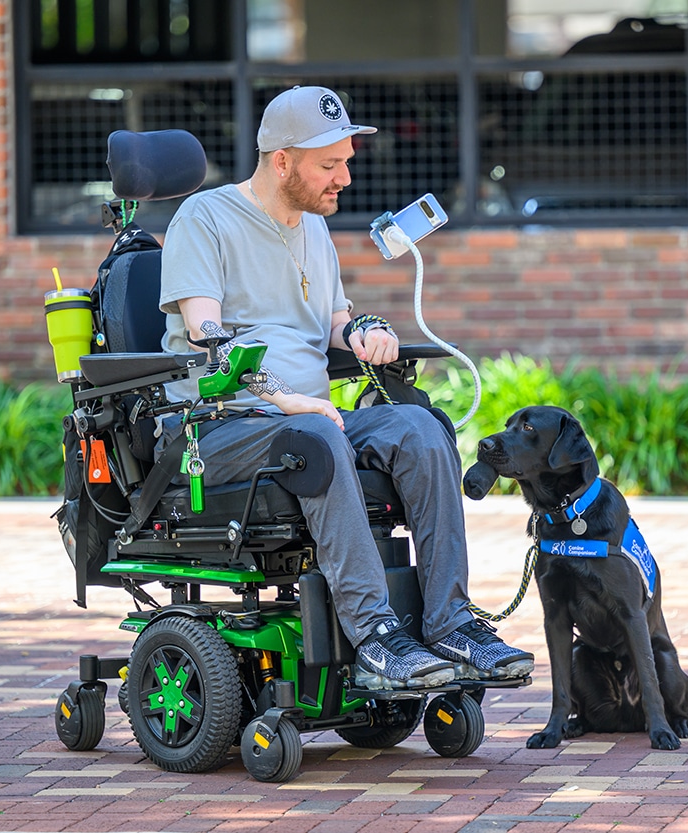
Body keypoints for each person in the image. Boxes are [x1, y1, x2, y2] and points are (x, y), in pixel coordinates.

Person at [157, 85, 533, 690]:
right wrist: (283, 398)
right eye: (329, 165)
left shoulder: (313, 229)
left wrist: (363, 331)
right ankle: (377, 640)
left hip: (307, 422)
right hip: (219, 429)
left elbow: (331, 322)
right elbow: (207, 333)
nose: (345, 178)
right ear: (282, 161)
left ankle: (451, 623)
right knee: (314, 434)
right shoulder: (205, 218)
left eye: (347, 161)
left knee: (421, 429)